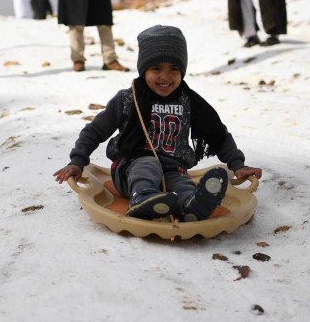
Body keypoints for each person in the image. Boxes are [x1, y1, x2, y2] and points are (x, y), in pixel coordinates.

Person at [54, 25, 262, 220]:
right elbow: (95, 130)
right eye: (156, 68)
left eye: (174, 68)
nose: (165, 76)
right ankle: (142, 199)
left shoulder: (189, 101)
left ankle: (192, 205)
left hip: (173, 168)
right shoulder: (128, 99)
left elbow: (217, 135)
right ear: (143, 70)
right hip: (130, 169)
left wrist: (238, 165)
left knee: (182, 183)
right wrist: (77, 161)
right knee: (147, 163)